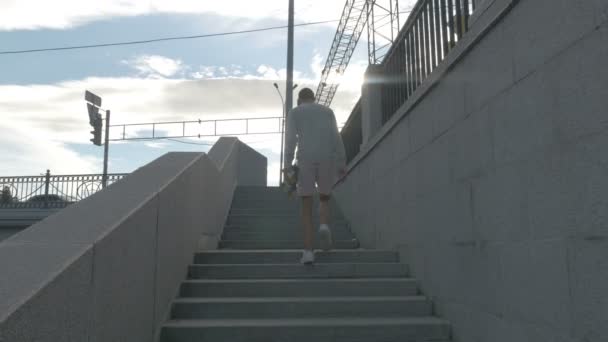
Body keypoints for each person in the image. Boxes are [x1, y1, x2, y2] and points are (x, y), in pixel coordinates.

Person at [284, 88, 346, 265]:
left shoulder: (295, 112)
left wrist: (288, 164)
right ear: (313, 98)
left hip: (305, 159)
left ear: (299, 99)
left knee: (306, 203)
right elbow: (336, 137)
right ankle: (325, 225)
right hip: (327, 157)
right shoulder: (327, 112)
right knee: (325, 197)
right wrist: (341, 162)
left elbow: (290, 140)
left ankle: (309, 251)